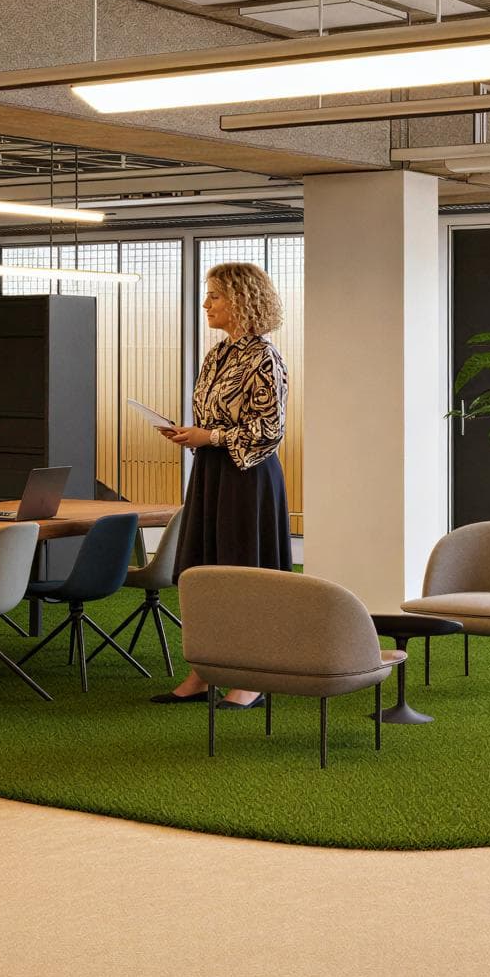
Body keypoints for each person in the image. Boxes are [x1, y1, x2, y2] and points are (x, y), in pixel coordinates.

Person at [151, 261, 292, 708]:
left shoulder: (264, 357)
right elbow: (214, 420)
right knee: (205, 570)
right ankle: (205, 670)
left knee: (243, 572)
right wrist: (190, 433)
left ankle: (252, 677)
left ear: (242, 300)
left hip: (247, 478)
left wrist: (209, 437)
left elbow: (269, 430)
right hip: (212, 474)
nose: (206, 304)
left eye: (214, 296)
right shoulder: (217, 355)